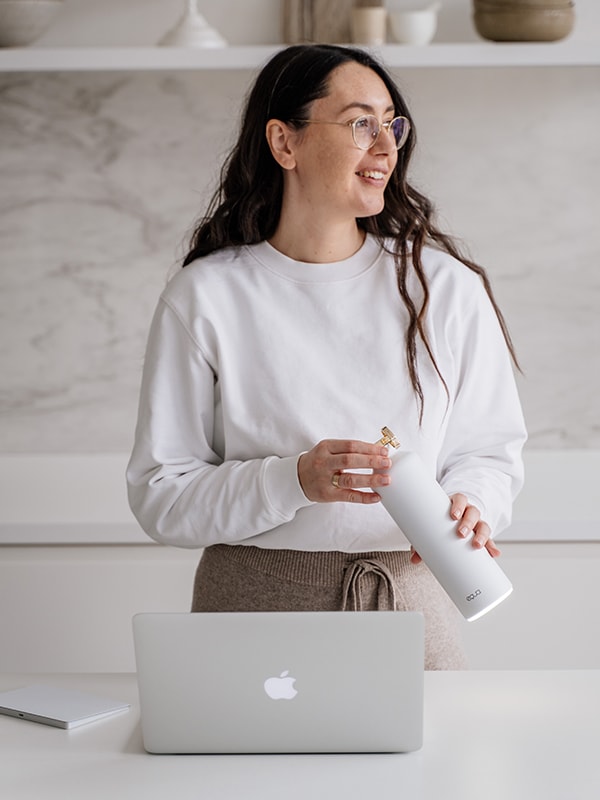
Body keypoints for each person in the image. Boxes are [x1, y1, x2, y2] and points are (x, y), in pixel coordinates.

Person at [126, 44, 527, 670]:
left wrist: (473, 502)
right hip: (251, 611)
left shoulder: (445, 288)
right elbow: (162, 496)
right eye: (360, 122)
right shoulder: (206, 296)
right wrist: (293, 480)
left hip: (410, 604)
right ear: (284, 142)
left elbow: (489, 453)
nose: (387, 146)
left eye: (391, 124)